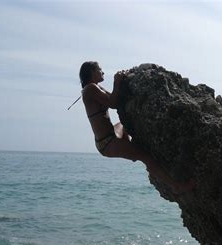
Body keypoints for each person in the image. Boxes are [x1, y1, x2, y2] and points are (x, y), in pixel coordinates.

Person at [79, 61, 195, 194]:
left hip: (108, 137)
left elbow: (113, 96)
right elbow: (112, 103)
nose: (102, 72)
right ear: (92, 72)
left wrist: (123, 78)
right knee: (146, 157)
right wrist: (117, 81)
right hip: (108, 142)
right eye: (99, 69)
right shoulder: (90, 89)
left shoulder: (95, 87)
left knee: (127, 123)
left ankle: (130, 148)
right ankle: (175, 186)